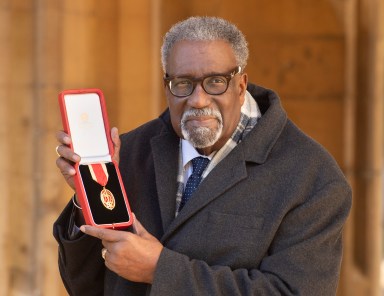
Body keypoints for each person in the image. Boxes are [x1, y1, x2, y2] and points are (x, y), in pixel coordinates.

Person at [53, 16, 352, 296]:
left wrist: (161, 270)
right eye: (183, 83)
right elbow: (84, 285)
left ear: (241, 85)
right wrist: (88, 194)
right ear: (167, 88)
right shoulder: (129, 152)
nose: (198, 100)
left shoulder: (314, 178)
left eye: (215, 82)